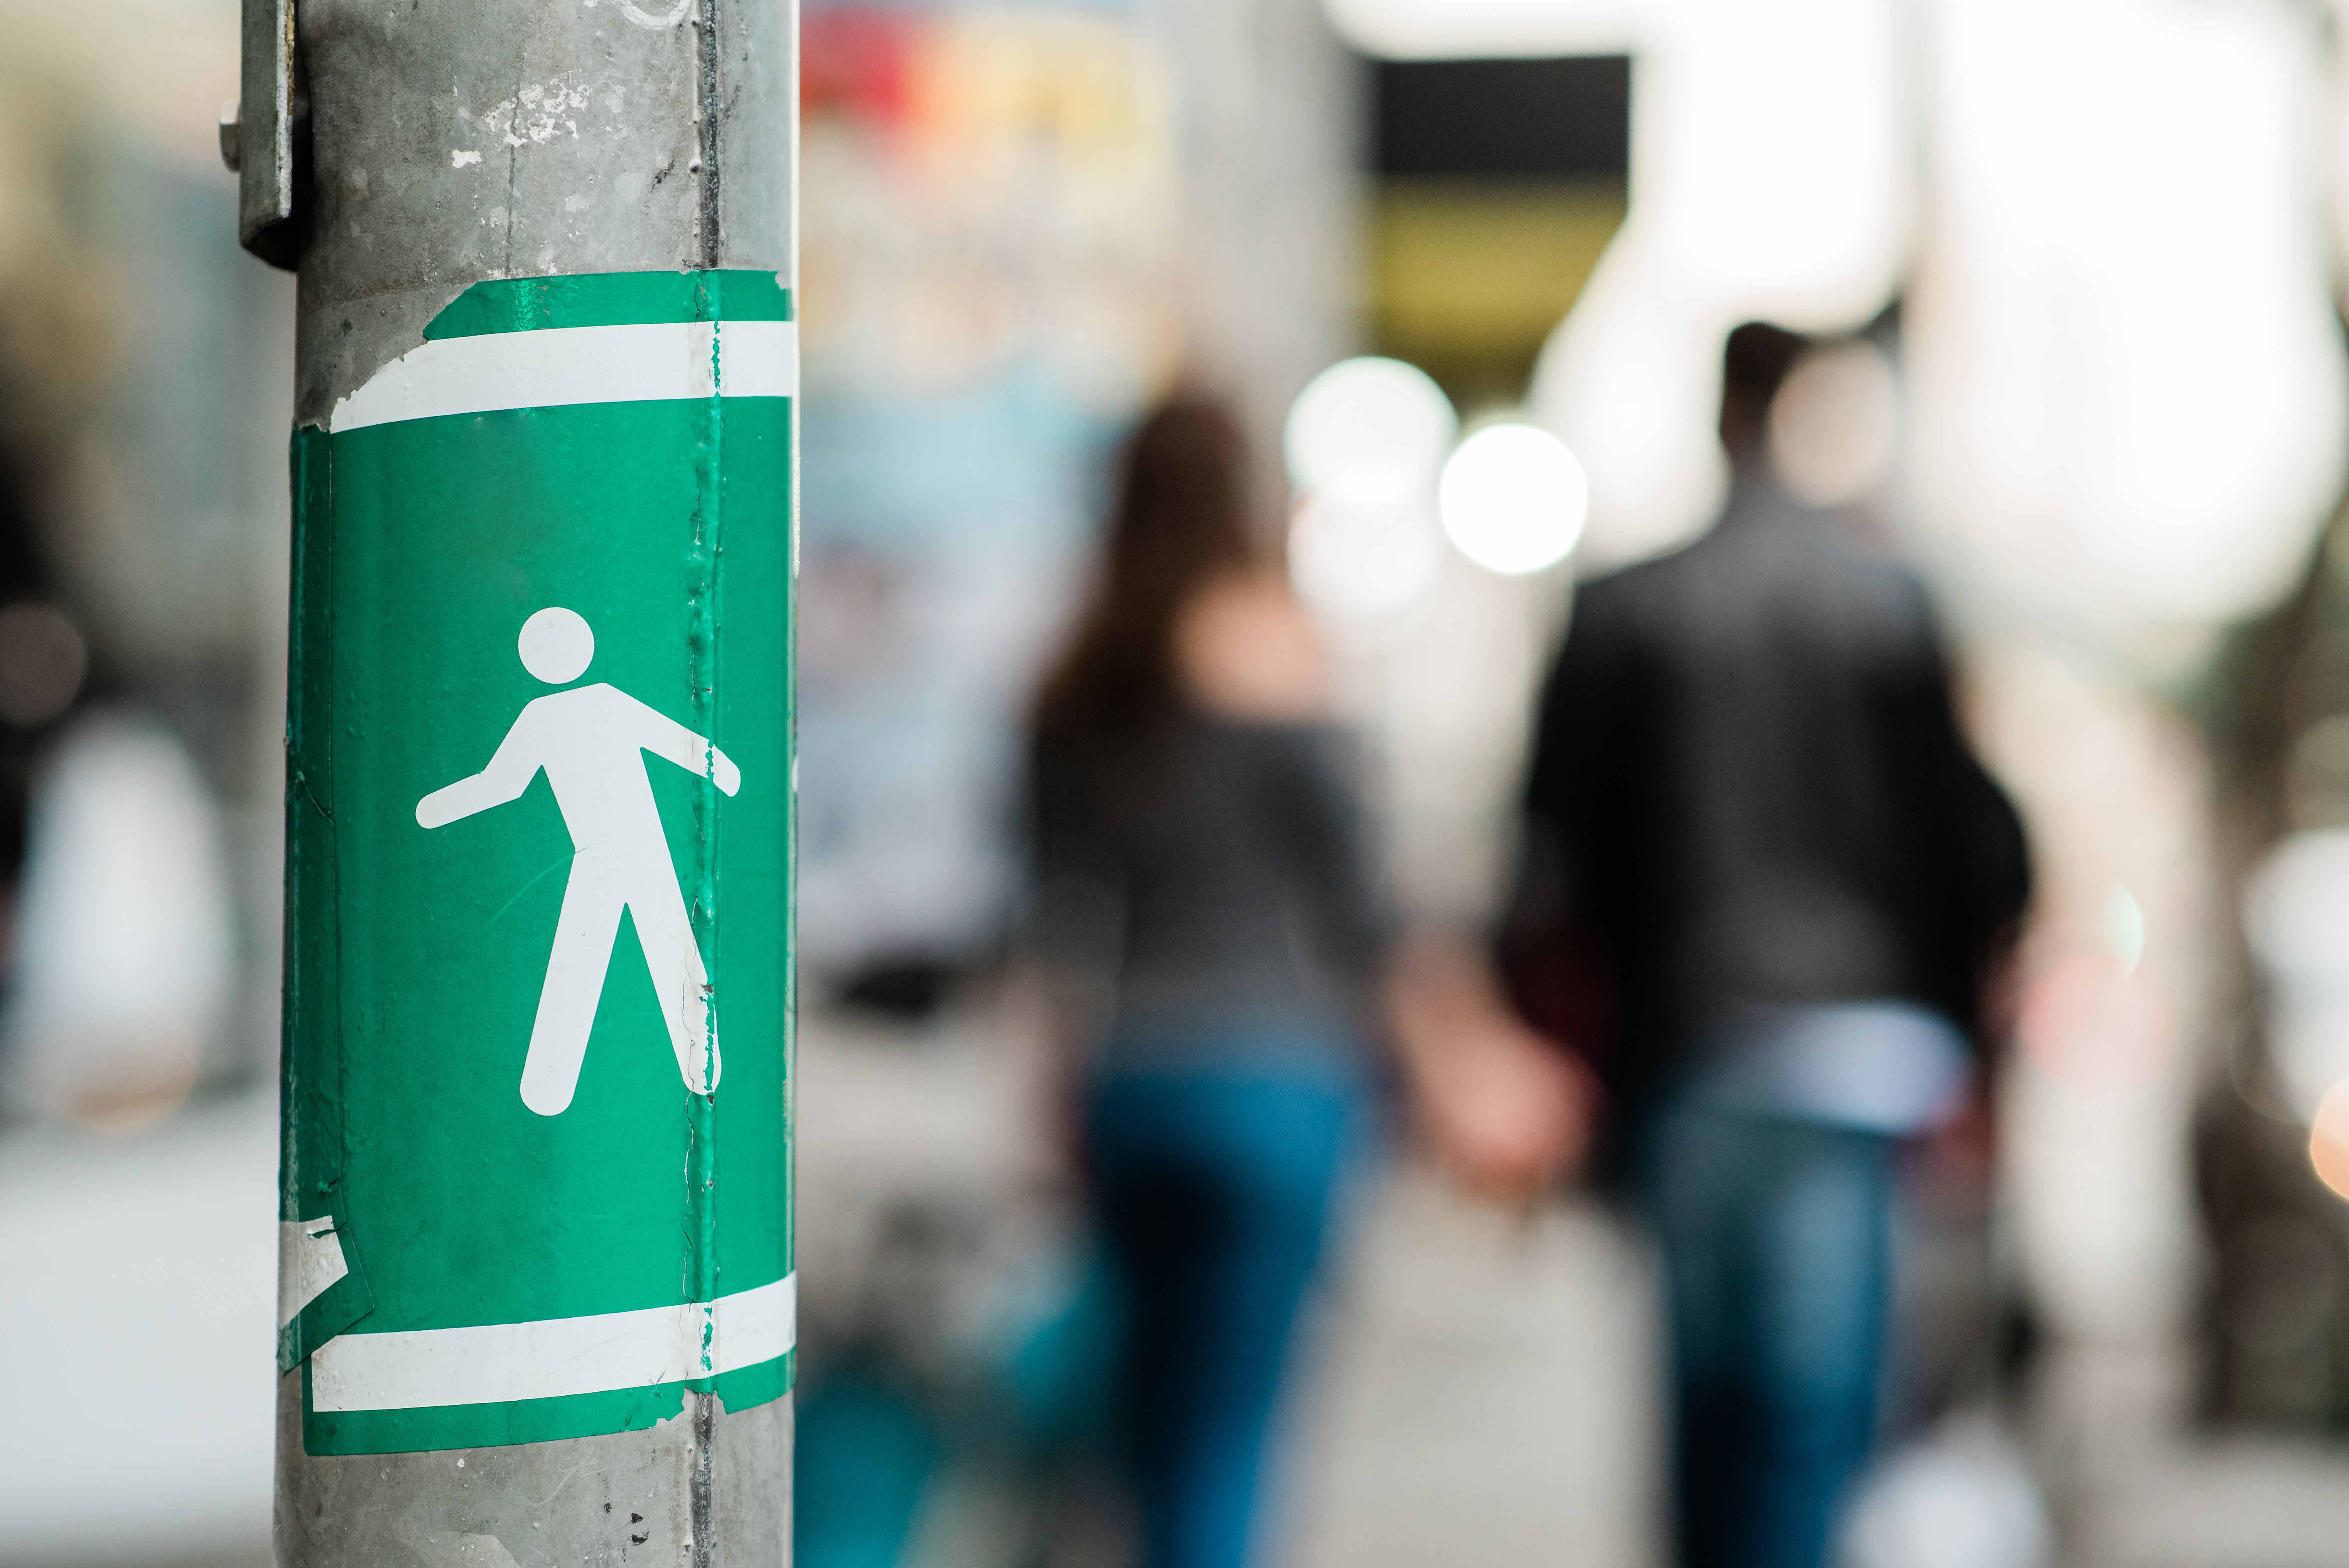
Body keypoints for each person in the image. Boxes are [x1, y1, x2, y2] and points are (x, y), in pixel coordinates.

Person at [1510, 323, 2031, 1568]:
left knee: (1709, 1403)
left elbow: (1547, 862)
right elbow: (1980, 854)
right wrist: (1978, 1057)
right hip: (1858, 1050)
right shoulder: (1889, 606)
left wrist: (1554, 1042)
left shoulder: (1629, 609)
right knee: (1809, 1412)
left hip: (1695, 1042)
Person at [1023, 396, 1385, 1568]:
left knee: (1141, 1423)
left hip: (1137, 1077)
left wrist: (1055, 1090)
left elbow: (1051, 916)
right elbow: (1364, 902)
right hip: (1282, 1079)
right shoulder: (1284, 654)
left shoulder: (1079, 676)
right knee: (1231, 1433)